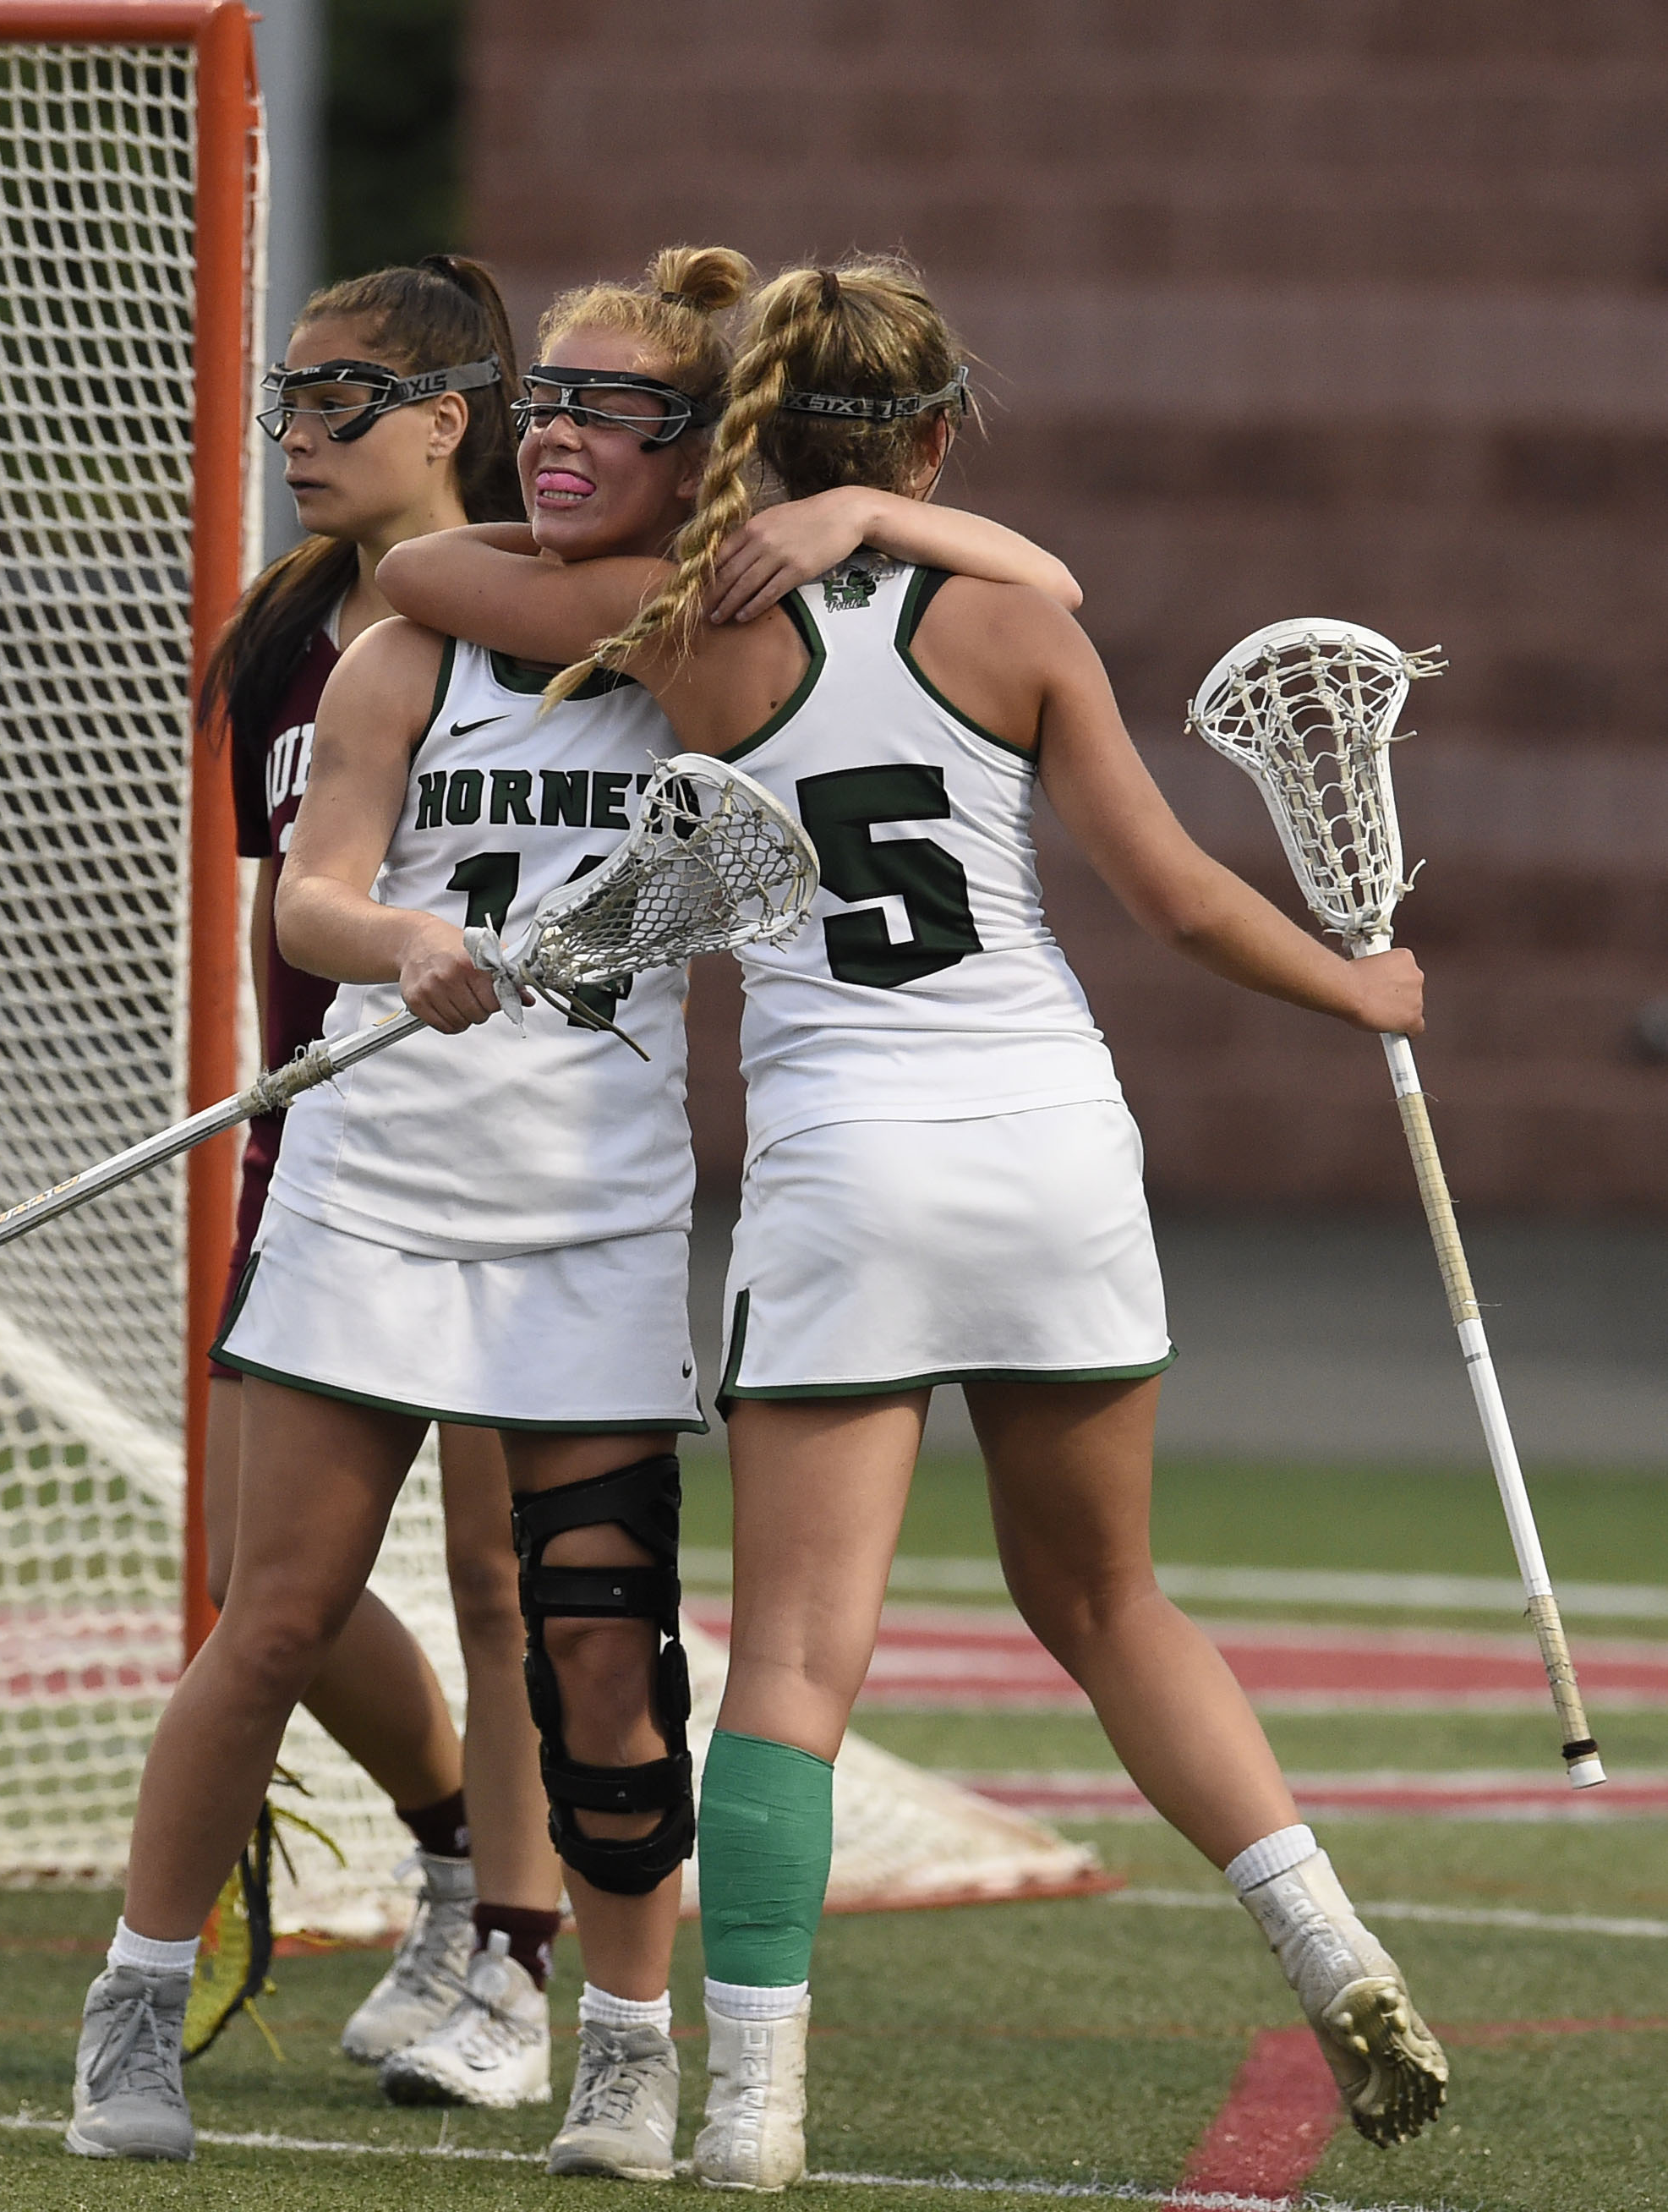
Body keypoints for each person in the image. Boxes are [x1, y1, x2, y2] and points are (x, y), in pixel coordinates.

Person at [380, 255, 1448, 2188]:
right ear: (937, 439)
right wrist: (1356, 989)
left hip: (848, 1165)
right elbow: (1179, 899)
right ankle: (1328, 1944)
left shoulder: (674, 617)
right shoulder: (1014, 618)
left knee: (797, 1660)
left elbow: (419, 576)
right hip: (1051, 1142)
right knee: (1111, 1603)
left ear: (741, 434)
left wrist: (742, 523)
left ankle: (749, 2109)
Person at [68, 245, 1082, 2173]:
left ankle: (620, 2048)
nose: (560, 437)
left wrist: (858, 511)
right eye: (550, 401)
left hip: (595, 1225)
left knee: (602, 1649)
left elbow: (1035, 583)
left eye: (619, 413)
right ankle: (131, 2006)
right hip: (372, 1196)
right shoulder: (410, 644)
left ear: (700, 449)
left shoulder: (711, 656)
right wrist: (396, 940)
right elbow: (309, 896)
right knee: (271, 1619)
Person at [195, 252, 566, 2093]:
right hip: (322, 1148)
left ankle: (519, 1963)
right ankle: (452, 1849)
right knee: (258, 1581)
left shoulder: (551, 617)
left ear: (446, 421)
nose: (297, 431)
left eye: (338, 397)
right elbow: (286, 909)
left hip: (509, 1158)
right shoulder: (282, 635)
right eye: (288, 394)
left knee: (503, 1576)